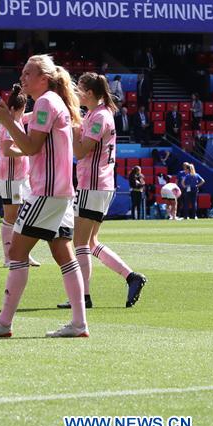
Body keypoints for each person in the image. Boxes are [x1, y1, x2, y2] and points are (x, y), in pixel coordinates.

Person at [0, 54, 89, 338]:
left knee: (16, 253)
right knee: (64, 254)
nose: (22, 78)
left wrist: (6, 119)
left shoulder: (47, 102)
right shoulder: (51, 103)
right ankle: (78, 323)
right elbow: (34, 146)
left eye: (27, 74)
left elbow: (32, 146)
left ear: (43, 78)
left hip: (46, 191)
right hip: (60, 191)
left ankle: (4, 322)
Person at [64, 72, 147, 311]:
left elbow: (80, 152)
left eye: (79, 89)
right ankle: (131, 277)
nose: (77, 93)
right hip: (100, 184)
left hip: (93, 183)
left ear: (90, 93)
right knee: (90, 242)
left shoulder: (99, 116)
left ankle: (83, 297)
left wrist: (71, 130)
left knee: (79, 243)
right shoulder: (97, 114)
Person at [0, 84, 40, 268]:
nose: (23, 114)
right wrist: (28, 151)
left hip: (22, 178)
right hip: (10, 179)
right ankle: (8, 257)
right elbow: (7, 150)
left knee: (25, 215)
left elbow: (29, 117)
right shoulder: (8, 124)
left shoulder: (18, 119)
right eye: (21, 111)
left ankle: (23, 254)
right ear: (13, 109)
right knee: (11, 217)